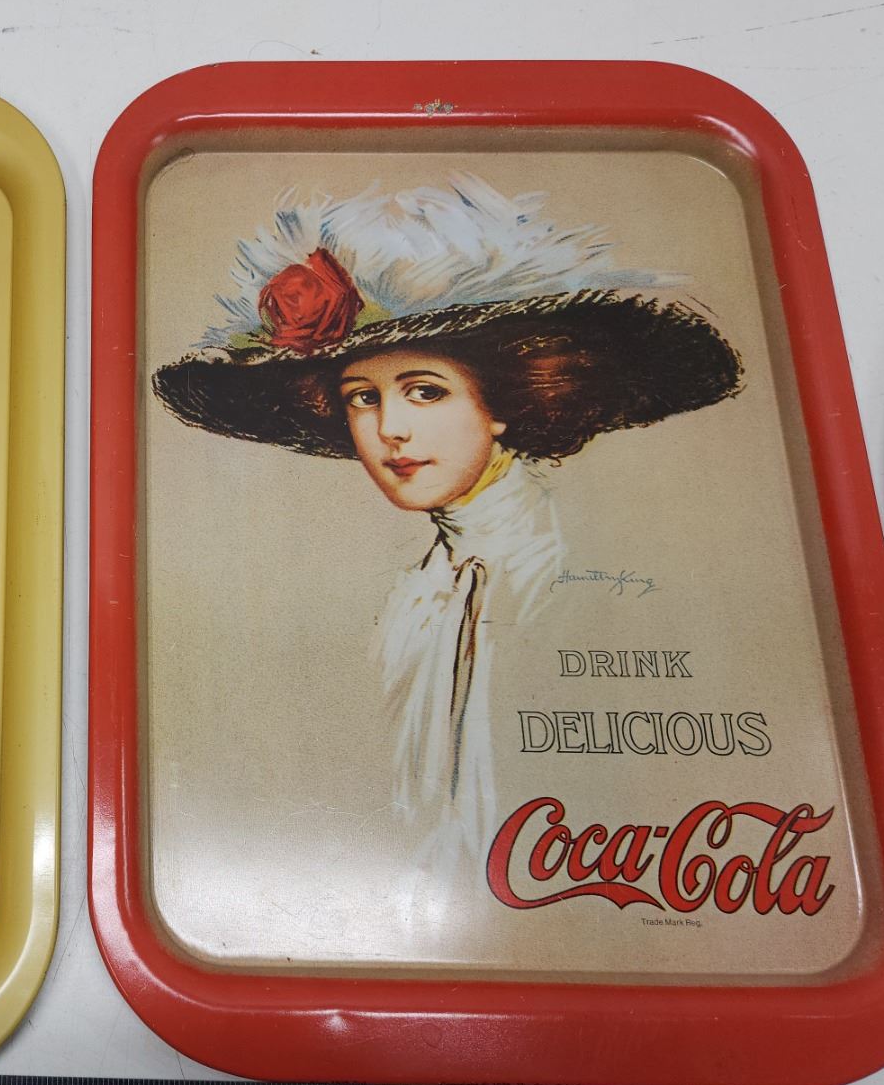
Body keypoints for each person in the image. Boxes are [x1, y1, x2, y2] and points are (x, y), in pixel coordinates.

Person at [152, 176, 743, 874]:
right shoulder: (419, 593)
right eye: (362, 398)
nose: (390, 430)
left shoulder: (566, 576)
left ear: (502, 403)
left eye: (425, 392)